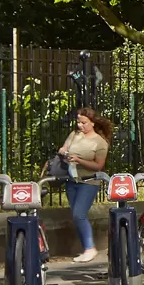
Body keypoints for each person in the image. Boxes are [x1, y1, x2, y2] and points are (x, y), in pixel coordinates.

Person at [57, 108, 113, 263]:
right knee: (77, 216)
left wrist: (79, 160)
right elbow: (64, 148)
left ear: (92, 123)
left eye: (84, 123)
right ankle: (86, 249)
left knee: (79, 214)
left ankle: (90, 248)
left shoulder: (100, 143)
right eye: (78, 122)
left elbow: (98, 166)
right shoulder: (74, 135)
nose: (80, 125)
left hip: (88, 182)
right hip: (72, 180)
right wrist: (64, 151)